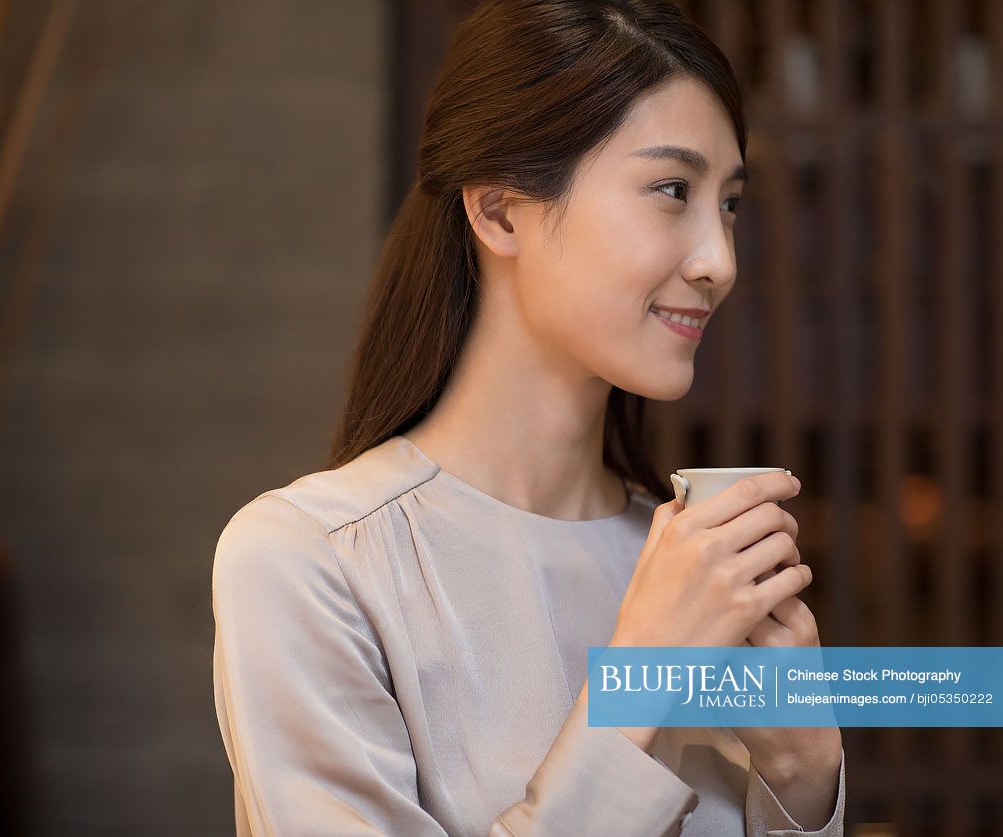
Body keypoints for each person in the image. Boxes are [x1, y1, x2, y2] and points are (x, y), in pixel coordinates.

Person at [211, 0, 846, 833]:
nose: (717, 262)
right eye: (669, 189)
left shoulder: (688, 569)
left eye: (727, 203)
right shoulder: (310, 563)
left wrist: (806, 774)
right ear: (499, 209)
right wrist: (642, 672)